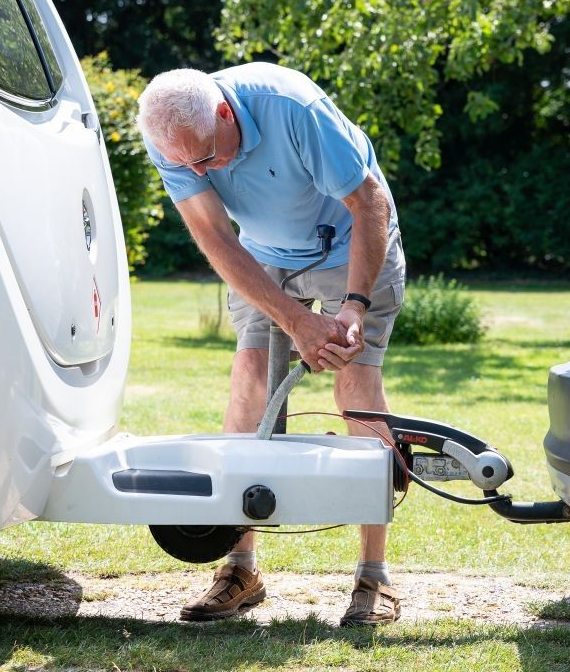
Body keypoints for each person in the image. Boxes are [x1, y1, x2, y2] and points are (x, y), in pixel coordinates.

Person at [136, 62, 406, 627]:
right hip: (264, 256)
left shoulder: (292, 109)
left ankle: (373, 577)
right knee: (249, 385)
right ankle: (238, 568)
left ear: (226, 114)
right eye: (188, 165)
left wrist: (353, 306)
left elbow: (368, 202)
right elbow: (212, 234)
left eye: (207, 158)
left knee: (355, 387)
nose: (202, 172)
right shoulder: (175, 138)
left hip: (350, 246)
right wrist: (292, 319)